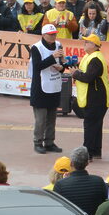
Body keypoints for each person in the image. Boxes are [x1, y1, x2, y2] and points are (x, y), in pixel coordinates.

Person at [68, 33, 109, 160]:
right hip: (95, 97)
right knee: (96, 125)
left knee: (90, 125)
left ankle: (87, 154)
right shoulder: (90, 56)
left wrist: (75, 74)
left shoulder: (95, 59)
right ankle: (95, 151)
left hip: (96, 98)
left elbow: (87, 77)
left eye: (87, 42)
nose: (84, 44)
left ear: (94, 45)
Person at [29, 24, 65, 153]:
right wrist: (52, 57)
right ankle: (37, 142)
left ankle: (49, 142)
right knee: (41, 119)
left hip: (54, 84)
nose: (53, 36)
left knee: (52, 117)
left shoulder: (59, 45)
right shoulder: (36, 48)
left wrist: (62, 67)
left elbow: (62, 63)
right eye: (50, 34)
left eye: (55, 34)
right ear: (43, 35)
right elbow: (37, 66)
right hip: (40, 87)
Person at [53, 146, 108, 215]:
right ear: (87, 163)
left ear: (71, 164)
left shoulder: (60, 185)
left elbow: (57, 210)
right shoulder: (99, 182)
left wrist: (65, 181)